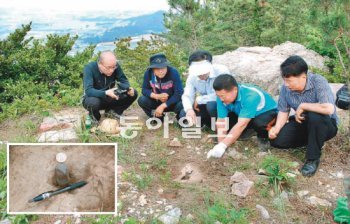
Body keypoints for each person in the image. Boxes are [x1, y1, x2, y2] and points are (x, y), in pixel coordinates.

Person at [269, 55, 338, 177]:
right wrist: (277, 128)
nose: (286, 84)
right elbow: (283, 111)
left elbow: (328, 108)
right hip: (303, 122)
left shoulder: (318, 81)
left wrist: (304, 106)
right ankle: (314, 140)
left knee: (315, 115)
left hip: (326, 124)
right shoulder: (286, 88)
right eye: (285, 80)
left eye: (289, 81)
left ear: (303, 77)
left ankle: (313, 158)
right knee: (277, 141)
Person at [207, 74, 278, 159]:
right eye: (218, 96)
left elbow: (241, 124)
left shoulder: (251, 96)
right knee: (227, 124)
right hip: (244, 114)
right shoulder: (221, 97)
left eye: (223, 96)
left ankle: (263, 137)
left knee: (258, 123)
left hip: (267, 114)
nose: (221, 99)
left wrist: (223, 145)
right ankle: (248, 131)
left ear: (235, 90)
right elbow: (221, 121)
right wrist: (220, 144)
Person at [82, 51, 137, 122]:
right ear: (99, 64)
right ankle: (95, 116)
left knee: (133, 93)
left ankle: (113, 112)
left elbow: (124, 81)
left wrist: (128, 88)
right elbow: (89, 91)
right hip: (95, 98)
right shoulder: (89, 68)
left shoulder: (114, 66)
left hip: (111, 96)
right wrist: (105, 93)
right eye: (108, 67)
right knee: (93, 103)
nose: (111, 70)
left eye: (114, 67)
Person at [180, 50, 230, 128]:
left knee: (211, 105)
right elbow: (187, 95)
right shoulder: (192, 76)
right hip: (205, 105)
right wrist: (189, 110)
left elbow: (224, 94)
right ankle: (208, 124)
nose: (201, 74)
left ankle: (225, 126)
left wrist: (199, 99)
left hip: (222, 105)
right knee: (183, 114)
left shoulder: (221, 71)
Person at [138, 53, 184, 120]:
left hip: (172, 102)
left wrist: (163, 106)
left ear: (166, 66)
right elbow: (144, 90)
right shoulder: (148, 73)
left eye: (163, 67)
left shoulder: (173, 72)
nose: (161, 71)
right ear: (153, 69)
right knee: (142, 100)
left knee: (183, 102)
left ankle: (180, 117)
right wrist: (157, 96)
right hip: (156, 102)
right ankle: (158, 117)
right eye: (157, 68)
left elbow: (179, 93)